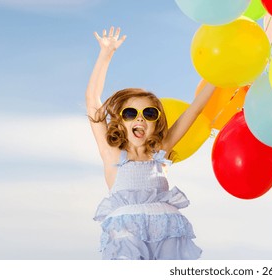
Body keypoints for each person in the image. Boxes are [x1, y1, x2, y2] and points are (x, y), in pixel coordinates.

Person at [86, 26, 215, 260]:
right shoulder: (112, 154)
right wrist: (105, 55)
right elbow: (93, 103)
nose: (139, 118)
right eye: (130, 114)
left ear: (157, 123)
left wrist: (219, 78)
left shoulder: (161, 152)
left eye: (148, 114)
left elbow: (194, 110)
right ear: (120, 122)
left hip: (167, 232)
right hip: (127, 233)